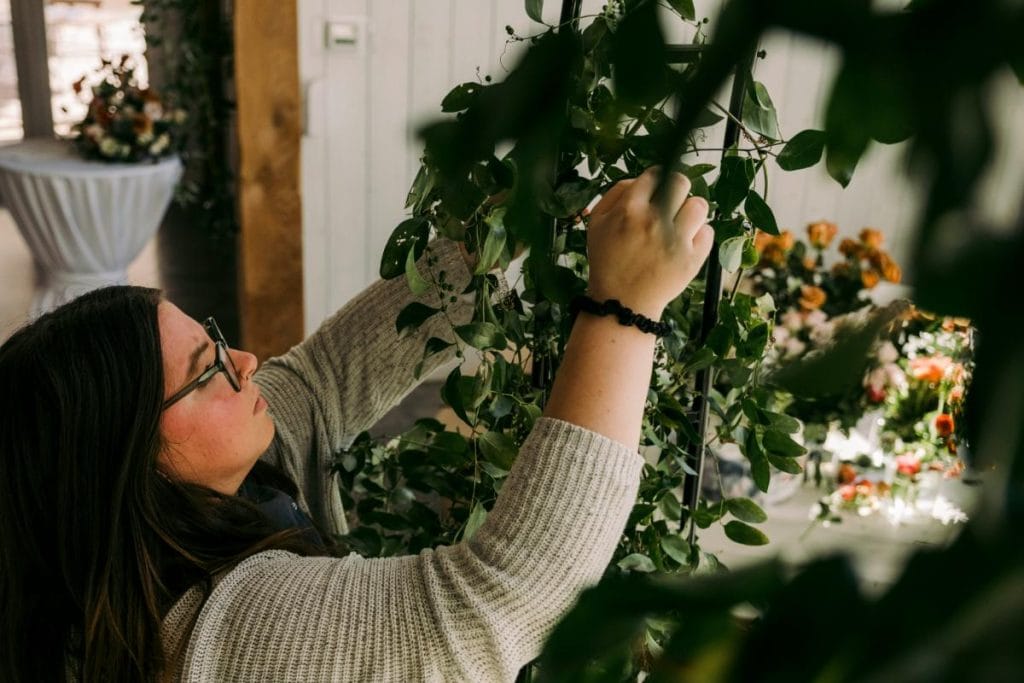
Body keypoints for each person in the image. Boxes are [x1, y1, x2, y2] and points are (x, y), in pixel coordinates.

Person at [0, 167, 713, 682]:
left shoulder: (199, 496)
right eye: (207, 368)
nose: (245, 360)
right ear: (132, 461)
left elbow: (324, 377)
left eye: (215, 338)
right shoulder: (225, 639)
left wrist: (496, 233)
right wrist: (624, 307)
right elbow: (510, 591)